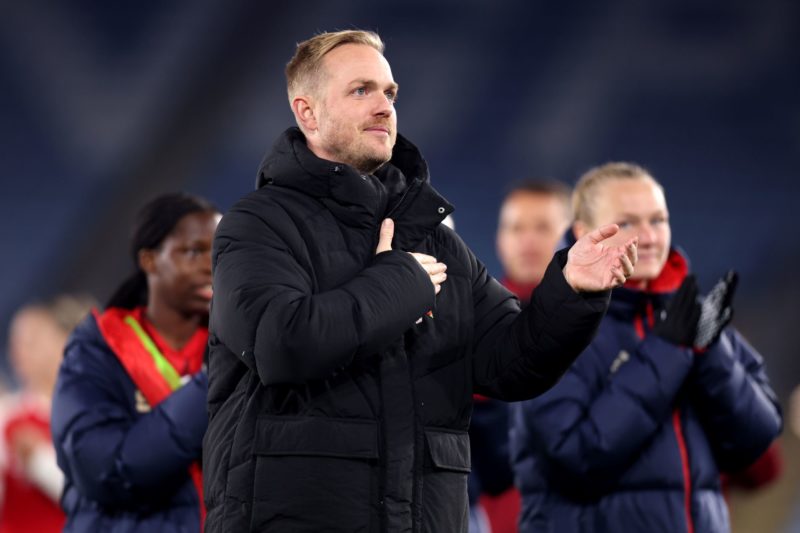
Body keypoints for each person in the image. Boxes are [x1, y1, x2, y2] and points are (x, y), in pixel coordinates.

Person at [203, 30, 638, 532]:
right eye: (361, 90)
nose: (385, 107)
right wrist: (397, 284)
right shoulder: (258, 224)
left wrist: (570, 290)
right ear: (307, 113)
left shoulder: (433, 239)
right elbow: (279, 344)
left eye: (389, 93)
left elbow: (512, 363)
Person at [509, 162, 782, 533]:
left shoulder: (692, 315)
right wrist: (667, 354)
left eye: (658, 220)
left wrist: (710, 354)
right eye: (628, 222)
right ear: (583, 232)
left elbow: (758, 442)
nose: (650, 237)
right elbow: (576, 458)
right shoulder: (548, 323)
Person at [50, 193, 220, 532]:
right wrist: (210, 384)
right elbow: (104, 471)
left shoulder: (245, 351)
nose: (211, 264)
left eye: (221, 250)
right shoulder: (96, 353)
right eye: (194, 251)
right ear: (149, 261)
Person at [469, 179, 574, 533]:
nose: (528, 240)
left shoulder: (606, 330)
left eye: (543, 227)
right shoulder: (470, 328)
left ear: (573, 235)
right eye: (516, 227)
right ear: (500, 239)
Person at [0, 295, 94, 533]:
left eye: (33, 341)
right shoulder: (10, 416)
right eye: (15, 343)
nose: (20, 351)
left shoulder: (92, 410)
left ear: (62, 340)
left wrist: (38, 459)